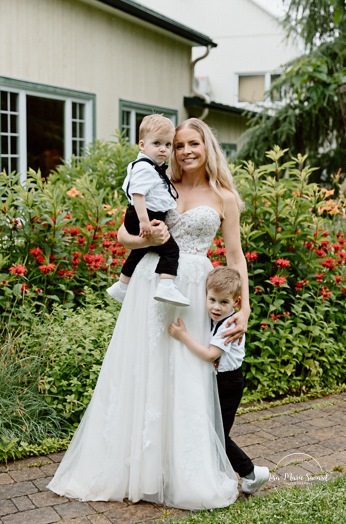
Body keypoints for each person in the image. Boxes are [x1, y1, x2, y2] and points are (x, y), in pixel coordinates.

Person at [48, 118, 251, 510]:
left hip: (197, 289)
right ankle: (133, 469)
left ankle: (183, 471)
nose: (186, 151)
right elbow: (123, 235)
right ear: (169, 149)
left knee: (187, 371)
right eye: (178, 145)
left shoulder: (223, 196)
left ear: (207, 147)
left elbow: (234, 255)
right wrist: (149, 236)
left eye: (194, 144)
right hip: (152, 281)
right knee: (144, 367)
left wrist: (243, 309)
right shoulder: (159, 184)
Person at [168, 266, 270, 495]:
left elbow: (210, 355)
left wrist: (182, 336)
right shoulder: (215, 318)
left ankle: (251, 473)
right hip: (219, 380)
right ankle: (215, 472)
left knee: (218, 434)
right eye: (212, 299)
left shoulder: (230, 325)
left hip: (229, 384)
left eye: (224, 302)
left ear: (236, 302)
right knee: (209, 429)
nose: (216, 306)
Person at [106, 114, 189, 307]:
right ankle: (166, 284)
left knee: (140, 251)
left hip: (142, 215)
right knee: (171, 250)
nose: (163, 149)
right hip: (145, 216)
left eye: (168, 145)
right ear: (142, 145)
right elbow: (138, 194)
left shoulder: (154, 167)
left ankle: (122, 285)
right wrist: (144, 221)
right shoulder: (145, 168)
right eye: (157, 143)